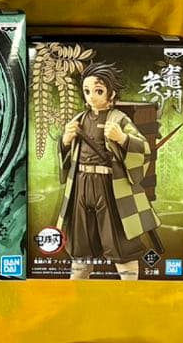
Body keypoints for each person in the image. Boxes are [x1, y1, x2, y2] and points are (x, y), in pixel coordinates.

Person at [57, 61, 160, 280]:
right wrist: (65, 140)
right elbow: (66, 155)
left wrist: (122, 138)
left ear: (111, 93)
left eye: (98, 91)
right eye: (87, 91)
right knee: (81, 244)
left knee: (120, 240)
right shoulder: (79, 119)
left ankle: (130, 288)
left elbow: (144, 149)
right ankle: (76, 287)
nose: (91, 97)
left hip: (110, 187)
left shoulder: (119, 119)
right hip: (81, 185)